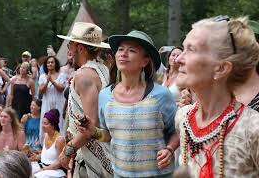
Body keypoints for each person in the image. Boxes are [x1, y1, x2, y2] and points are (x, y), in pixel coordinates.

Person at [77, 30, 179, 177]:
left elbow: (177, 130)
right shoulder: (105, 96)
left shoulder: (161, 95)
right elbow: (109, 135)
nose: (123, 54)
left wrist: (169, 149)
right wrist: (93, 131)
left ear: (144, 61)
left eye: (131, 50)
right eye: (120, 49)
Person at [175, 15, 259, 177]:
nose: (178, 58)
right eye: (183, 48)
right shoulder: (183, 118)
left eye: (191, 49)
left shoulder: (252, 129)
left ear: (221, 69)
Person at [57, 22, 113, 178]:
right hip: (97, 150)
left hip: (94, 159)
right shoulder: (103, 69)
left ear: (80, 48)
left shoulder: (84, 75)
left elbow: (91, 125)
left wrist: (68, 150)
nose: (69, 52)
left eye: (70, 46)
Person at [33, 109, 66, 178]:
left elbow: (59, 163)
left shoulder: (59, 140)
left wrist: (43, 169)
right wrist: (35, 156)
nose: (42, 125)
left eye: (45, 123)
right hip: (42, 166)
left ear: (53, 125)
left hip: (55, 171)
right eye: (42, 123)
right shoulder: (46, 135)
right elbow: (47, 156)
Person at [39, 56, 66, 136]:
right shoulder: (42, 76)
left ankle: (60, 141)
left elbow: (61, 89)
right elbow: (42, 91)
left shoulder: (62, 75)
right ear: (46, 65)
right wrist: (47, 81)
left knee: (60, 122)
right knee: (46, 122)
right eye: (48, 62)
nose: (50, 64)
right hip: (47, 103)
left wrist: (52, 81)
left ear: (55, 64)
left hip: (59, 103)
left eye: (52, 62)